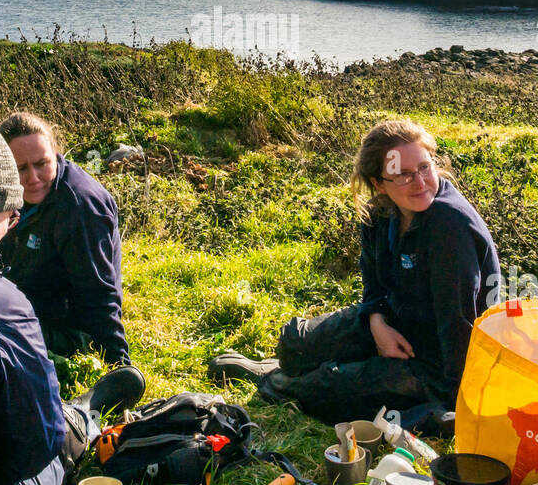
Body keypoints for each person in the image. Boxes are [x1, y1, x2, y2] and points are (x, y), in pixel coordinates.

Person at [209, 118, 500, 426]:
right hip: (395, 321)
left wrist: (459, 401)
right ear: (379, 183)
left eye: (425, 167)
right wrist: (376, 323)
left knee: (329, 388)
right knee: (294, 343)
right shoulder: (379, 213)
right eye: (403, 175)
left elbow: (459, 324)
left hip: (435, 362)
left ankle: (278, 382)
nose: (420, 182)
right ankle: (285, 366)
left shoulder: (448, 226)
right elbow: (374, 283)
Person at [0, 113, 130, 366]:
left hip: (70, 330)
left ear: (56, 155)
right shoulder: (6, 192)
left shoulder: (80, 208)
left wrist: (118, 364)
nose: (33, 178)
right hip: (26, 303)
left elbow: (99, 294)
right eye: (21, 169)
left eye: (41, 164)